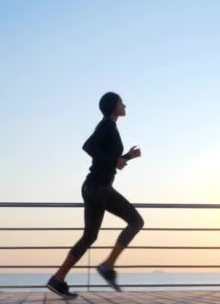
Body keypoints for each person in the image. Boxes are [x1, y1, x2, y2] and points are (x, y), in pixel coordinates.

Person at [46, 91, 144, 299]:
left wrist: (127, 157)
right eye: (121, 102)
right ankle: (108, 266)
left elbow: (108, 159)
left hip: (92, 187)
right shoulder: (107, 124)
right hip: (99, 187)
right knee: (136, 221)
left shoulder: (109, 126)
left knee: (90, 236)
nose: (125, 105)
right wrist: (114, 161)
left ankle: (58, 278)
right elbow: (88, 147)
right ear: (113, 106)